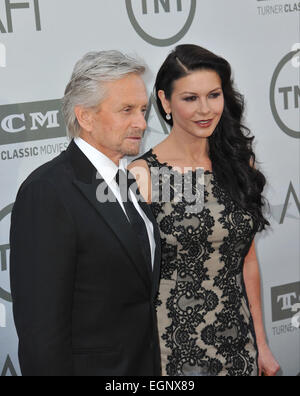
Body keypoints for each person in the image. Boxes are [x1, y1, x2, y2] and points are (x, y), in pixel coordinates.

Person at [128, 44, 280, 377]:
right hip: (173, 351)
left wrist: (262, 345)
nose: (205, 109)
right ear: (165, 102)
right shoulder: (143, 175)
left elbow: (248, 261)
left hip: (240, 344)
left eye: (213, 95)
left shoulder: (239, 164)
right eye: (190, 98)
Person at [10, 50, 162, 376]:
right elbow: (41, 334)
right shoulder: (48, 192)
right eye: (127, 110)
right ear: (86, 117)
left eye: (143, 110)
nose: (141, 122)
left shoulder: (127, 180)